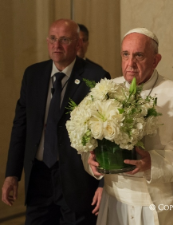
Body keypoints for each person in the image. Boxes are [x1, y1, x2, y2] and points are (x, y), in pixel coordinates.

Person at [81, 28, 173, 225]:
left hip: (166, 201)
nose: (130, 64)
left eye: (139, 55)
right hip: (116, 202)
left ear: (156, 60)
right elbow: (84, 144)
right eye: (125, 55)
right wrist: (92, 163)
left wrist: (153, 164)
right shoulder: (104, 92)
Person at [1, 19, 110, 224]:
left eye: (64, 40)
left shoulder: (96, 77)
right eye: (52, 39)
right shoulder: (32, 74)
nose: (56, 45)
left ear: (78, 44)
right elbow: (20, 127)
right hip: (38, 178)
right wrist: (12, 175)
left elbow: (104, 135)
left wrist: (103, 183)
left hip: (76, 179)